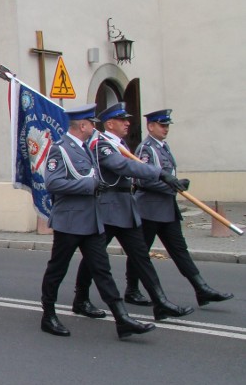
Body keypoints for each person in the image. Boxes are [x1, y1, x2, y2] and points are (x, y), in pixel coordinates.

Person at [40, 104, 155, 338]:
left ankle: (121, 318)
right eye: (91, 124)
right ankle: (49, 315)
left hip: (92, 221)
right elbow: (52, 183)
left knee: (103, 271)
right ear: (83, 126)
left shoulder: (88, 149)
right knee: (57, 269)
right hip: (69, 221)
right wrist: (88, 185)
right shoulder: (60, 150)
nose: (95, 128)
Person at [73, 102, 194, 321]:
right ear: (110, 123)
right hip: (108, 208)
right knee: (94, 257)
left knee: (141, 256)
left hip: (125, 208)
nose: (128, 123)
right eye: (122, 120)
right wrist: (160, 174)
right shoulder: (102, 144)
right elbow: (123, 166)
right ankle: (81, 298)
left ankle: (160, 302)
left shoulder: (119, 143)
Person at [129, 109, 233, 307]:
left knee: (179, 250)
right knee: (140, 252)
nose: (166, 129)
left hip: (166, 209)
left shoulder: (163, 147)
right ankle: (132, 289)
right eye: (162, 125)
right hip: (149, 209)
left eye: (167, 125)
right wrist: (173, 185)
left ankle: (201, 288)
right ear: (150, 126)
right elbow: (141, 180)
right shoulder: (146, 149)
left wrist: (176, 184)